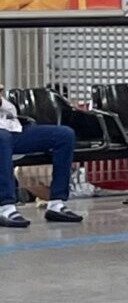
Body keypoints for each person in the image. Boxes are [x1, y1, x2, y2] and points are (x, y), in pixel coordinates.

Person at [0, 94, 81, 226]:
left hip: (14, 129)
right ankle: (6, 207)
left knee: (64, 135)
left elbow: (10, 112)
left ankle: (56, 203)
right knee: (2, 139)